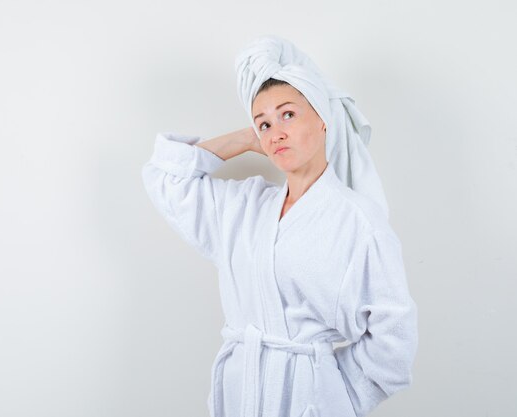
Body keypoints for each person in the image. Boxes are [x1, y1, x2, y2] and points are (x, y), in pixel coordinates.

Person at [141, 35, 418, 417]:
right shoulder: (244, 207)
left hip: (312, 399)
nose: (276, 133)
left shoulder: (359, 222)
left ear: (323, 119)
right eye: (264, 124)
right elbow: (165, 176)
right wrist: (243, 139)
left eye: (288, 114)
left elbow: (394, 341)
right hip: (241, 394)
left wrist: (336, 397)